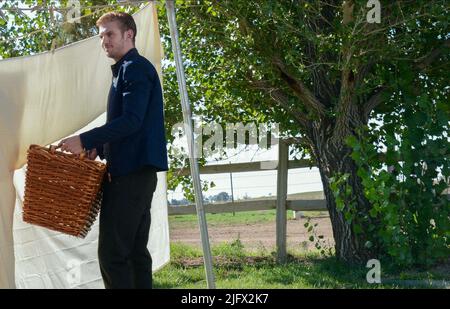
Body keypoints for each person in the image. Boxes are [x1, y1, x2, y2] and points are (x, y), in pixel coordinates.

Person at [59, 11, 168, 289]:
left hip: (130, 177)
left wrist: (84, 139)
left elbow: (132, 121)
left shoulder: (134, 68)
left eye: (109, 34)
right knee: (133, 254)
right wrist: (100, 147)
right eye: (101, 36)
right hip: (136, 175)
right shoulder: (127, 69)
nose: (103, 41)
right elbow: (132, 125)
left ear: (129, 34)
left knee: (113, 255)